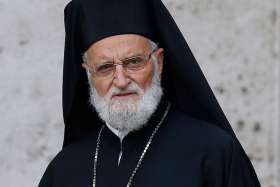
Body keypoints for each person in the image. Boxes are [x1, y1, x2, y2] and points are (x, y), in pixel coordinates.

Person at [38, 0, 261, 186]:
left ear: (159, 62)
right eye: (105, 67)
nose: (122, 81)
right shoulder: (63, 170)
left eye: (134, 62)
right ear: (88, 74)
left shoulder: (215, 154)